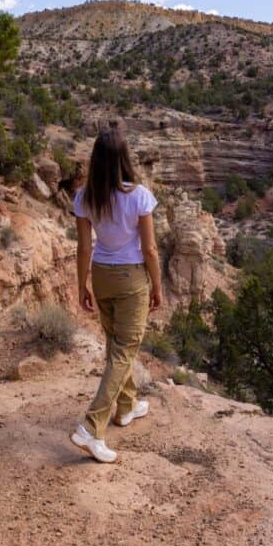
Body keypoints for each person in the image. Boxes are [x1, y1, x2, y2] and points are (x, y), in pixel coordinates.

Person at [69, 125, 162, 463]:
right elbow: (150, 248)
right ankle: (91, 428)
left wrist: (82, 285)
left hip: (102, 274)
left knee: (115, 345)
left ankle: (127, 406)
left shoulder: (85, 196)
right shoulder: (138, 196)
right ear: (125, 158)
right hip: (131, 277)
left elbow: (83, 247)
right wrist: (158, 285)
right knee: (124, 349)